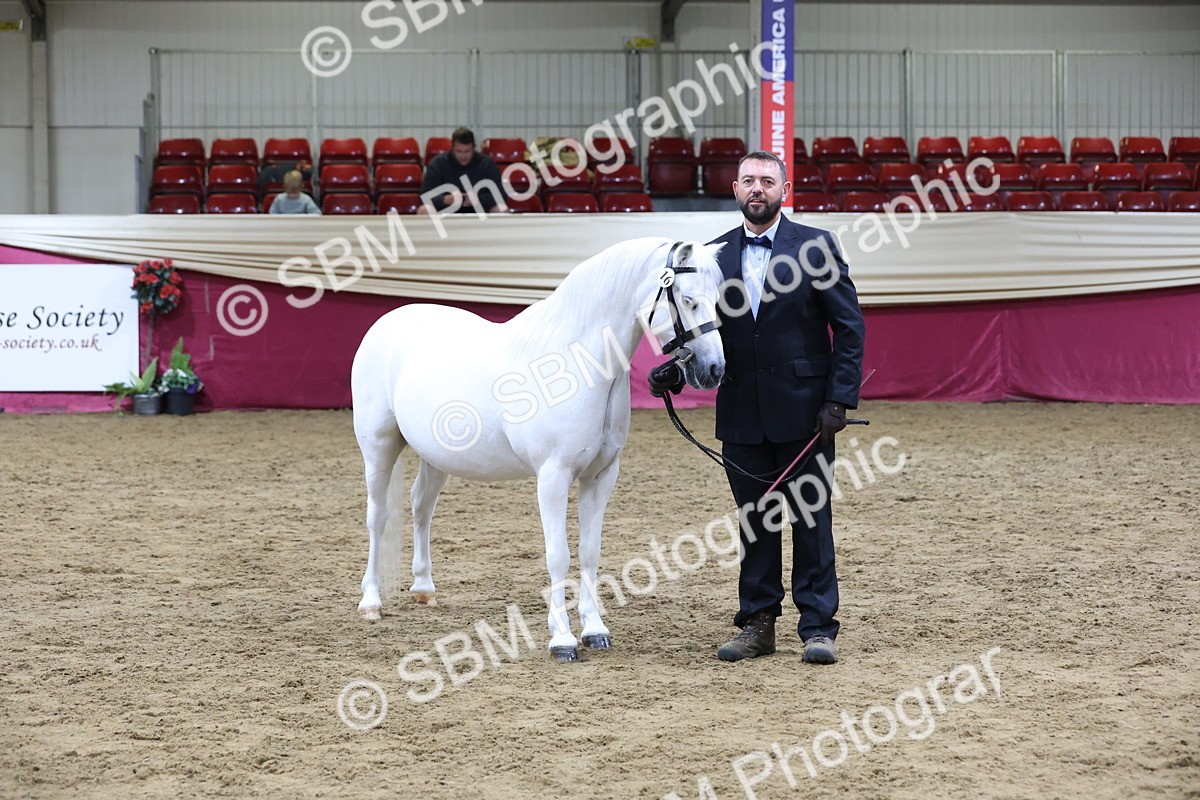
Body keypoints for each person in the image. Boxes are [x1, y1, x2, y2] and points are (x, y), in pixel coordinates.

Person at [707, 150, 865, 664]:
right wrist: (678, 367)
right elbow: (699, 331)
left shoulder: (817, 247)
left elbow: (849, 328)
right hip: (740, 411)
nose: (758, 189)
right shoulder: (710, 255)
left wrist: (839, 399)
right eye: (748, 180)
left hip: (806, 412)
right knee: (756, 520)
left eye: (767, 181)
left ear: (785, 190)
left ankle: (818, 627)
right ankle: (757, 623)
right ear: (735, 189)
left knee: (810, 518)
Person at [418, 127, 505, 215]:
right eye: (459, 151)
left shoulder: (487, 164)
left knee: (501, 209)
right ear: (452, 148)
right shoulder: (438, 164)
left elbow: (501, 195)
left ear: (474, 148)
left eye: (467, 151)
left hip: (480, 210)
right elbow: (425, 195)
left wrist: (479, 199)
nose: (463, 156)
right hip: (446, 210)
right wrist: (445, 200)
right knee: (424, 210)